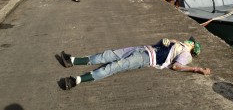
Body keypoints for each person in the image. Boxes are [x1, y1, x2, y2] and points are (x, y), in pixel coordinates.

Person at [60, 37, 211, 90]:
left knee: (115, 66)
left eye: (192, 42)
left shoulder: (186, 54)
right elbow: (162, 44)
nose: (189, 41)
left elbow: (176, 66)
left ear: (193, 48)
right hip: (142, 49)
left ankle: (77, 80)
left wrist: (197, 69)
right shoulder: (178, 43)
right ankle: (73, 60)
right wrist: (165, 40)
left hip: (145, 58)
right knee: (109, 54)